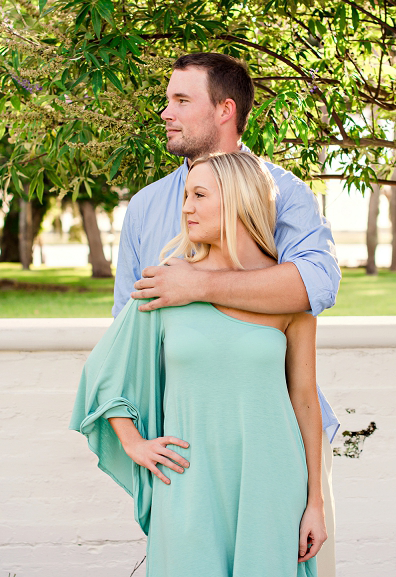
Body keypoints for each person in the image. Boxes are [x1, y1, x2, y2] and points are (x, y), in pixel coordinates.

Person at [112, 52, 342, 573]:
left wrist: (198, 284)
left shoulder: (284, 194)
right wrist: (135, 440)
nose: (165, 112)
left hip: (277, 456)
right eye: (166, 100)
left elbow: (318, 284)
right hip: (190, 461)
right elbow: (125, 336)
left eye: (181, 100)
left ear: (225, 110)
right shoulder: (147, 207)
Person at [72, 151, 325, 575]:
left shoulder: (288, 295)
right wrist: (134, 443)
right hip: (187, 481)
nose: (186, 206)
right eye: (186, 195)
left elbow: (304, 401)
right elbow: (105, 375)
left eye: (199, 195)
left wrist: (314, 502)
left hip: (270, 482)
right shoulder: (165, 284)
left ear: (238, 200)